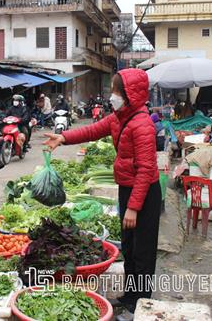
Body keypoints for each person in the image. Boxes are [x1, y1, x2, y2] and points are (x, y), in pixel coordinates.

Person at [44, 68, 160, 321]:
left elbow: (146, 170)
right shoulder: (119, 117)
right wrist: (62, 137)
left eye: (117, 90)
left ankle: (139, 303)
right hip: (128, 187)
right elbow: (92, 130)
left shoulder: (142, 125)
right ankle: (130, 296)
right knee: (129, 246)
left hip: (145, 192)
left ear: (130, 94)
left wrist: (133, 207)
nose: (112, 95)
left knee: (143, 251)